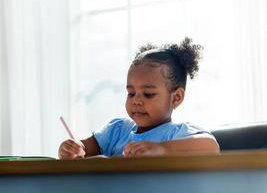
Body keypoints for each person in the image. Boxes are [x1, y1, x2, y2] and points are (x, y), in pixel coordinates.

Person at [58, 37, 220, 159]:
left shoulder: (177, 133)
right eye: (131, 93)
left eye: (148, 94)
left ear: (176, 97)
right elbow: (85, 149)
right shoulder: (117, 130)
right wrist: (73, 148)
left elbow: (210, 145)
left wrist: (161, 149)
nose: (136, 100)